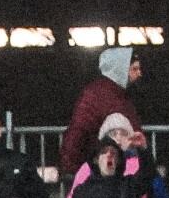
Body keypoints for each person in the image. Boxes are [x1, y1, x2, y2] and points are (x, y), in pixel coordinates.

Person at [59, 45, 141, 179]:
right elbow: (79, 130)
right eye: (134, 69)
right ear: (121, 69)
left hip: (110, 166)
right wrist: (72, 167)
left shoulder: (111, 94)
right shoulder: (100, 96)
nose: (139, 73)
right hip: (106, 168)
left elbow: (78, 130)